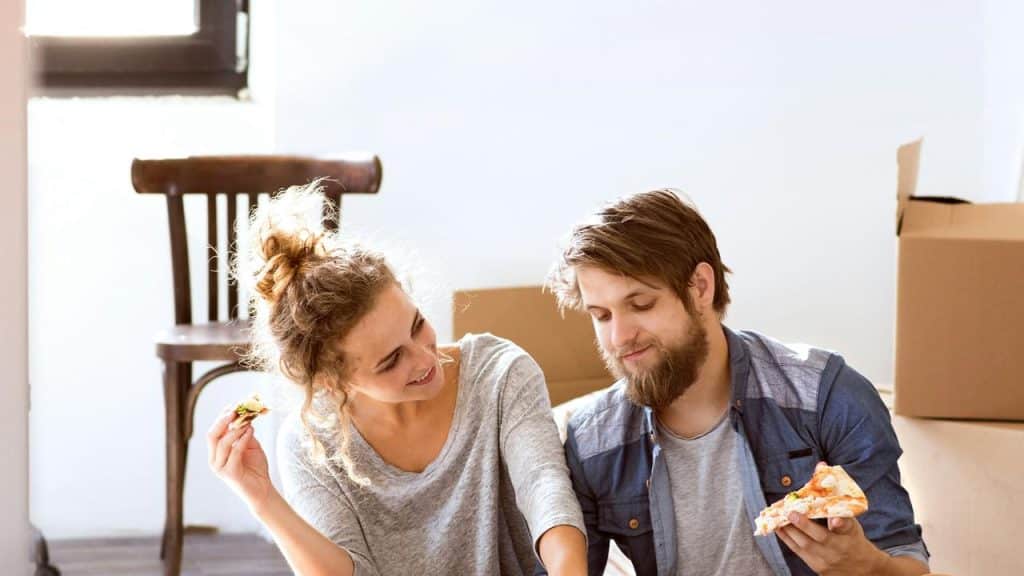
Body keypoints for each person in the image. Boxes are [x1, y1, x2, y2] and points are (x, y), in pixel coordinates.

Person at [207, 183, 587, 575]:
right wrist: (262, 498)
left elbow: (544, 485)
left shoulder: (500, 374)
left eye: (417, 324)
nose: (425, 358)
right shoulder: (311, 443)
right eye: (391, 361)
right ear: (331, 383)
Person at [547, 189, 929, 576]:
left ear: (700, 287)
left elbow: (906, 562)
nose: (619, 337)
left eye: (641, 305)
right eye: (602, 315)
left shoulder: (826, 396)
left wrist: (868, 567)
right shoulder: (594, 441)